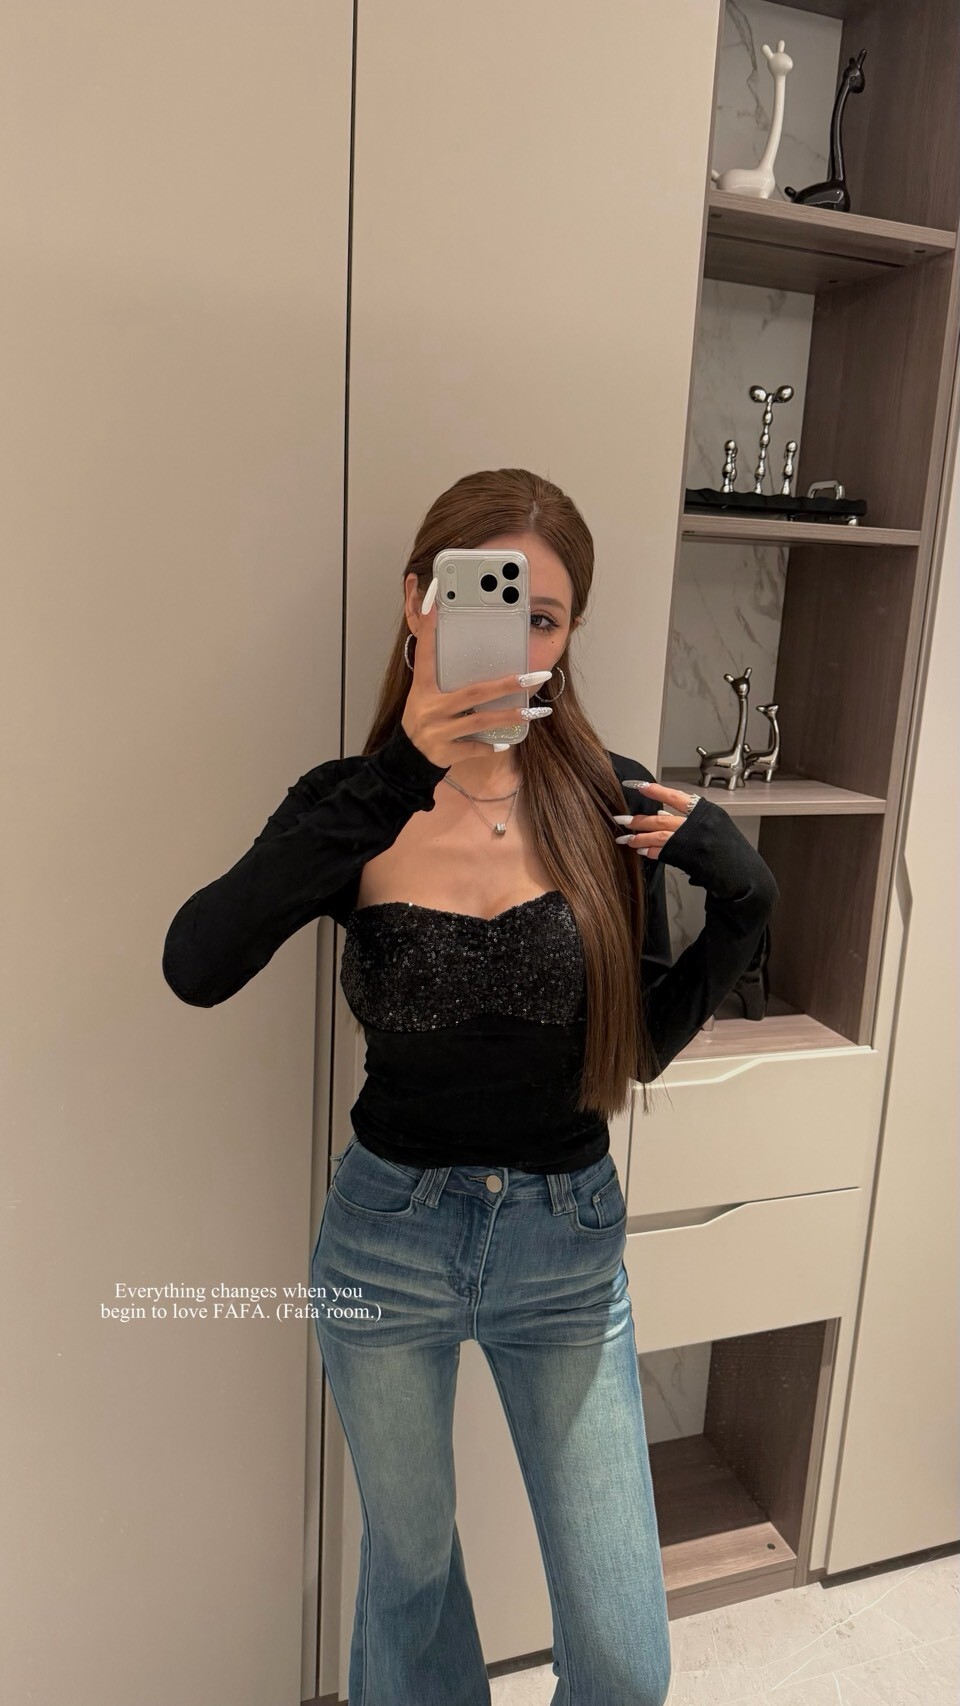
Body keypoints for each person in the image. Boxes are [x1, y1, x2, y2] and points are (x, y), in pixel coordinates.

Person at [163, 468, 779, 1706]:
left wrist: (747, 901)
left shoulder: (609, 801)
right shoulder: (347, 806)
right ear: (420, 600)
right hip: (386, 1240)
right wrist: (399, 773)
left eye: (545, 616)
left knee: (624, 1659)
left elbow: (635, 1047)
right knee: (411, 1574)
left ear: (569, 634)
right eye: (491, 601)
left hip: (567, 1247)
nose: (520, 637)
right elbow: (198, 962)